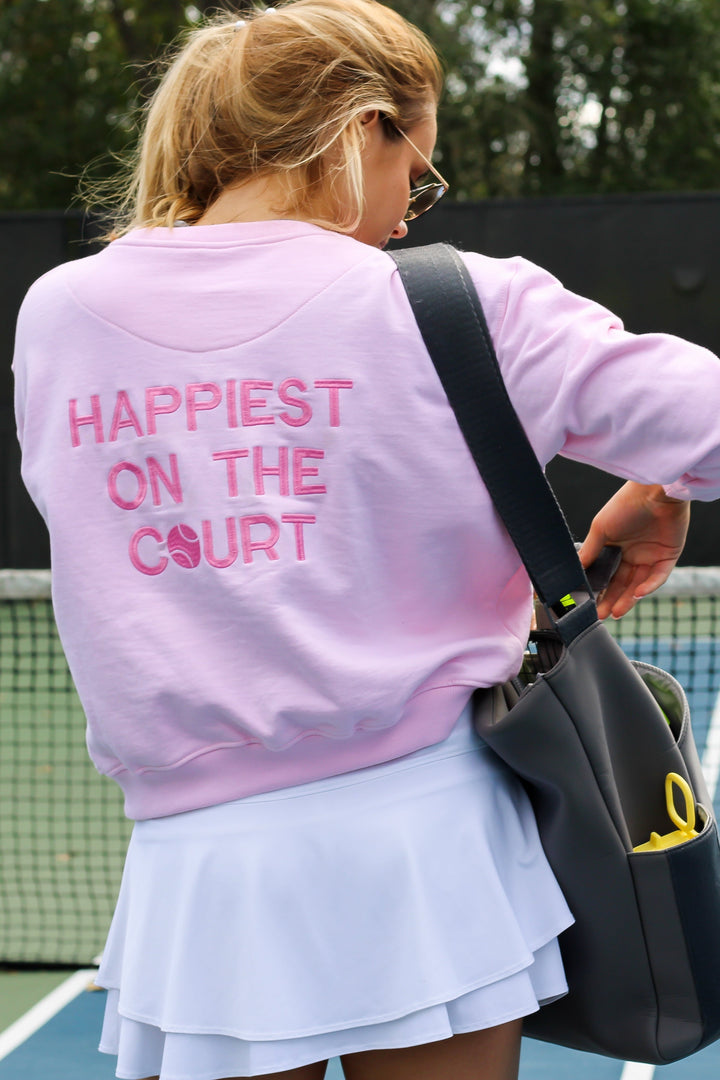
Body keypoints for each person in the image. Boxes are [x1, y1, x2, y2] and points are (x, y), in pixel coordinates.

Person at [12, 2, 720, 1078]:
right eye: (417, 174)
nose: (405, 216)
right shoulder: (470, 303)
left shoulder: (59, 314)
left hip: (198, 870)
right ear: (362, 130)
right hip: (434, 844)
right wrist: (664, 483)